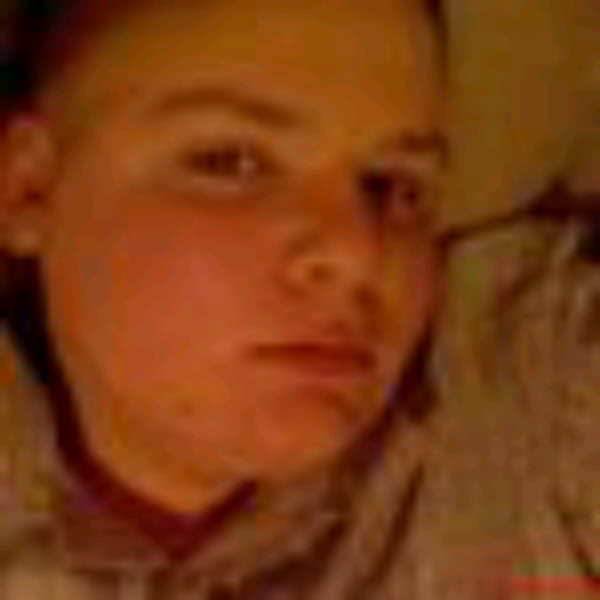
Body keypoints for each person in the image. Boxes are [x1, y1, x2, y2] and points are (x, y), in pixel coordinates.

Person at [0, 0, 595, 598]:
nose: (358, 254)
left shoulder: (524, 383)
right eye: (233, 163)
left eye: (395, 186)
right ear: (29, 189)